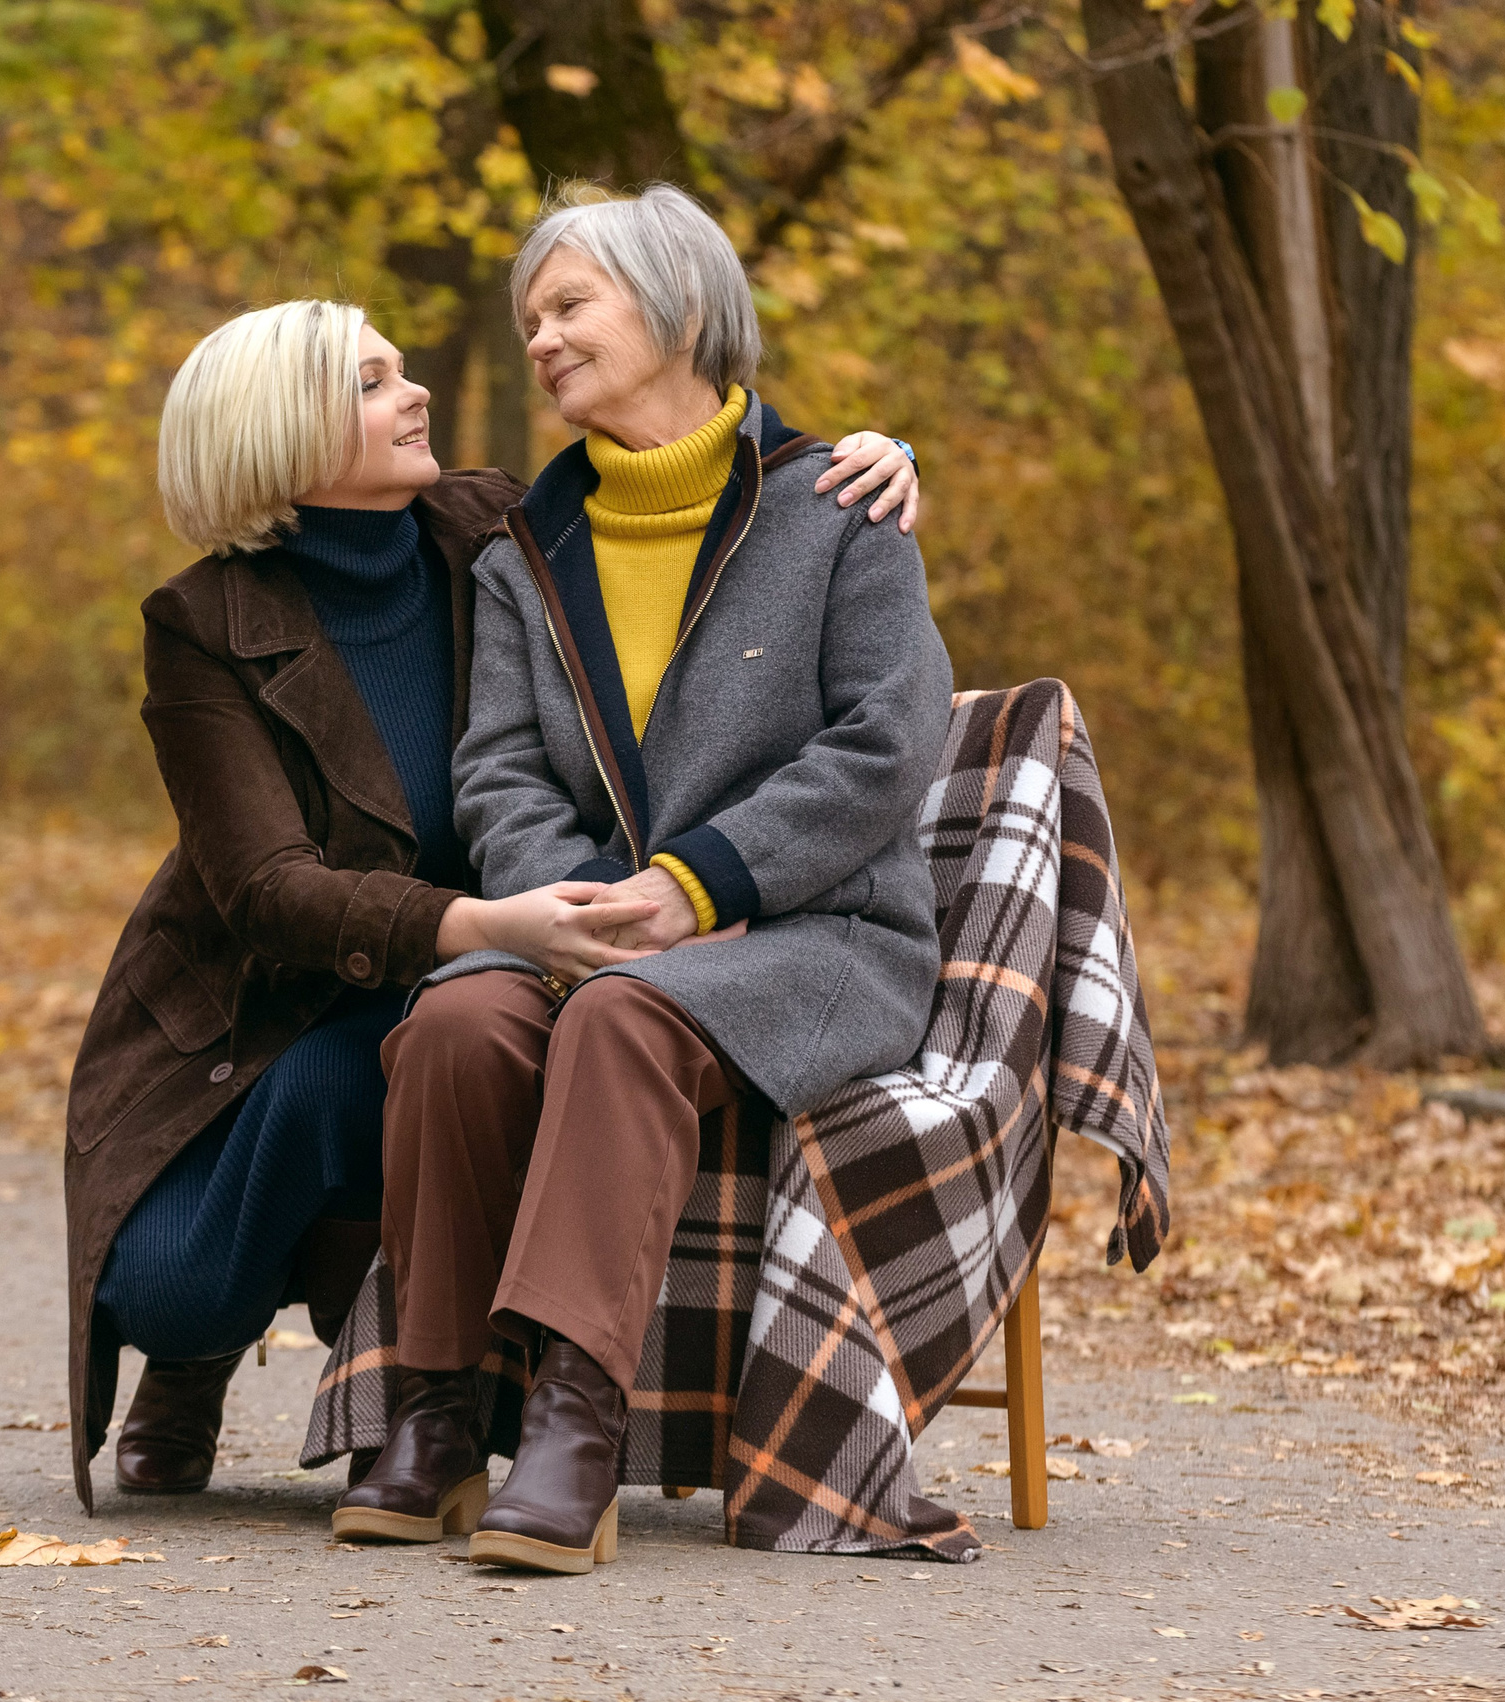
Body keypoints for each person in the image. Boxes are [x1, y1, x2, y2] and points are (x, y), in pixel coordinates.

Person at [62, 295, 925, 1515]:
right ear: (282, 435)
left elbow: (689, 489)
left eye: (399, 370)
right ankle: (193, 1356)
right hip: (278, 993)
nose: (414, 393)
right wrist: (490, 925)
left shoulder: (491, 527)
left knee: (440, 1050)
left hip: (500, 967)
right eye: (372, 383)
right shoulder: (201, 622)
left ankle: (432, 1406)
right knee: (171, 1284)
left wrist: (868, 459)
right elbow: (267, 890)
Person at [339, 185, 954, 1572]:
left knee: (625, 1020)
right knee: (454, 1018)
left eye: (569, 307)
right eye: (531, 320)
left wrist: (695, 885)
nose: (541, 340)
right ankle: (434, 1410)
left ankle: (575, 1419)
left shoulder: (841, 503)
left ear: (678, 303)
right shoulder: (523, 552)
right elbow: (499, 770)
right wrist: (577, 911)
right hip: (606, 932)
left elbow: (890, 742)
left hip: (818, 935)